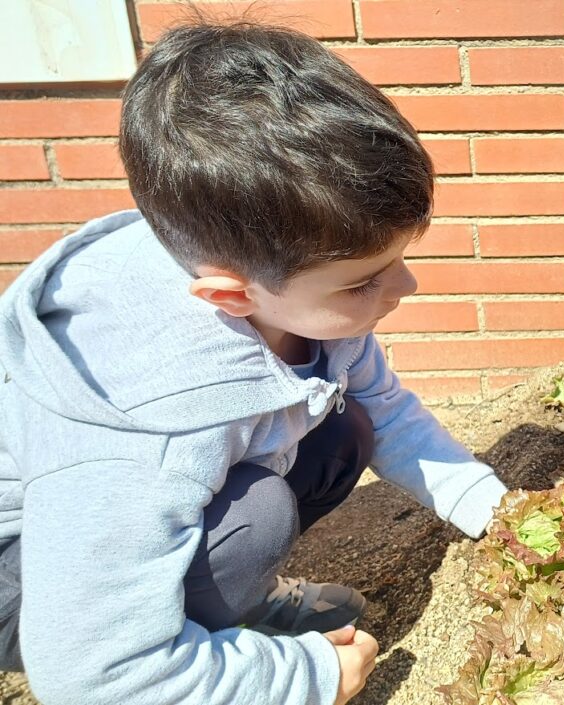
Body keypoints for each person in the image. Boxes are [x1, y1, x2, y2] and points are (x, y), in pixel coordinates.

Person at [0, 21, 507, 705]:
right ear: (230, 294)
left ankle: (236, 600)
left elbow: (387, 413)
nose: (405, 287)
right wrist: (305, 677)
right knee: (255, 518)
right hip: (33, 581)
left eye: (397, 260)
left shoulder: (280, 276)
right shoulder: (145, 424)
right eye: (364, 281)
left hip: (125, 516)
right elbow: (91, 673)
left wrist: (496, 511)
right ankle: (209, 646)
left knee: (347, 426)